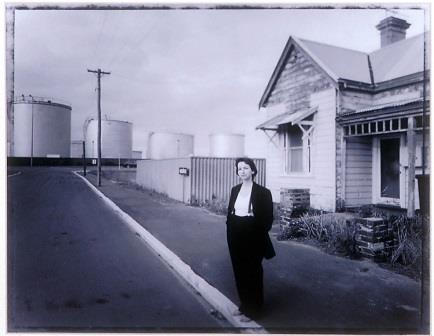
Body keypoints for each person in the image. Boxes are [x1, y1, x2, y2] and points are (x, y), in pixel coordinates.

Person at [226, 157, 275, 321]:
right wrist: (230, 228)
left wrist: (256, 231)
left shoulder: (263, 192)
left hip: (253, 233)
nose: (242, 171)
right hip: (235, 232)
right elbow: (230, 212)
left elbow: (268, 219)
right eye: (239, 168)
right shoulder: (235, 190)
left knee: (253, 270)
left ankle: (255, 309)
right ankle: (245, 304)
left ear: (253, 171)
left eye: (246, 168)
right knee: (239, 270)